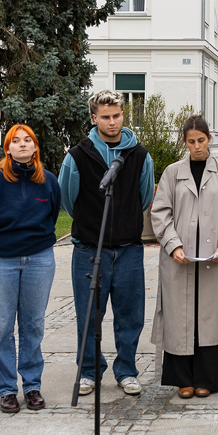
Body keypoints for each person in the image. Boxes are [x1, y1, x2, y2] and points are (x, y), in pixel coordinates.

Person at [59, 90, 154, 397]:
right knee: (89, 314)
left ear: (123, 115)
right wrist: (90, 221)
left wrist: (124, 220)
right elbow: (67, 198)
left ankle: (126, 370)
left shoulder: (139, 155)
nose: (112, 122)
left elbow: (145, 198)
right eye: (105, 117)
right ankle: (89, 370)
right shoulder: (77, 155)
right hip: (89, 248)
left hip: (128, 249)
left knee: (130, 315)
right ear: (94, 118)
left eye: (117, 116)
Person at [151, 115, 218, 398]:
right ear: (185, 142)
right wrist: (173, 245)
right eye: (191, 142)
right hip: (180, 259)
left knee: (209, 316)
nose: (197, 146)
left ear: (209, 139)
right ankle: (183, 379)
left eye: (201, 140)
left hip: (213, 259)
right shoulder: (172, 173)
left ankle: (207, 378)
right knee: (180, 315)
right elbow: (160, 213)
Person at [0, 124, 61, 413]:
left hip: (39, 258)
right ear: (8, 148)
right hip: (0, 261)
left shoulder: (48, 181)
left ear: (35, 147)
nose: (22, 144)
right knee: (2, 327)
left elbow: (52, 214)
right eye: (16, 141)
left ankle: (32, 385)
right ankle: (7, 389)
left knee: (33, 325)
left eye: (28, 140)